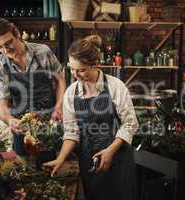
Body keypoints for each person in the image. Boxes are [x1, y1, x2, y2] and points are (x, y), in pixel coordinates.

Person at [43, 35, 139, 200]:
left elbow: (130, 124)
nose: (75, 75)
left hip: (117, 160)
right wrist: (60, 159)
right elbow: (72, 132)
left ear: (95, 65)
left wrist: (110, 150)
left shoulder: (116, 86)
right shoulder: (71, 93)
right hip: (89, 162)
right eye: (72, 69)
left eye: (81, 70)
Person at [0, 18, 66, 155]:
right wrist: (9, 119)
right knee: (25, 169)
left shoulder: (42, 52)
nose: (6, 50)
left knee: (51, 165)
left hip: (50, 121)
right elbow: (0, 105)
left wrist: (59, 107)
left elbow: (60, 80)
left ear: (17, 34)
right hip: (21, 125)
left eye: (8, 43)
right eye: (0, 47)